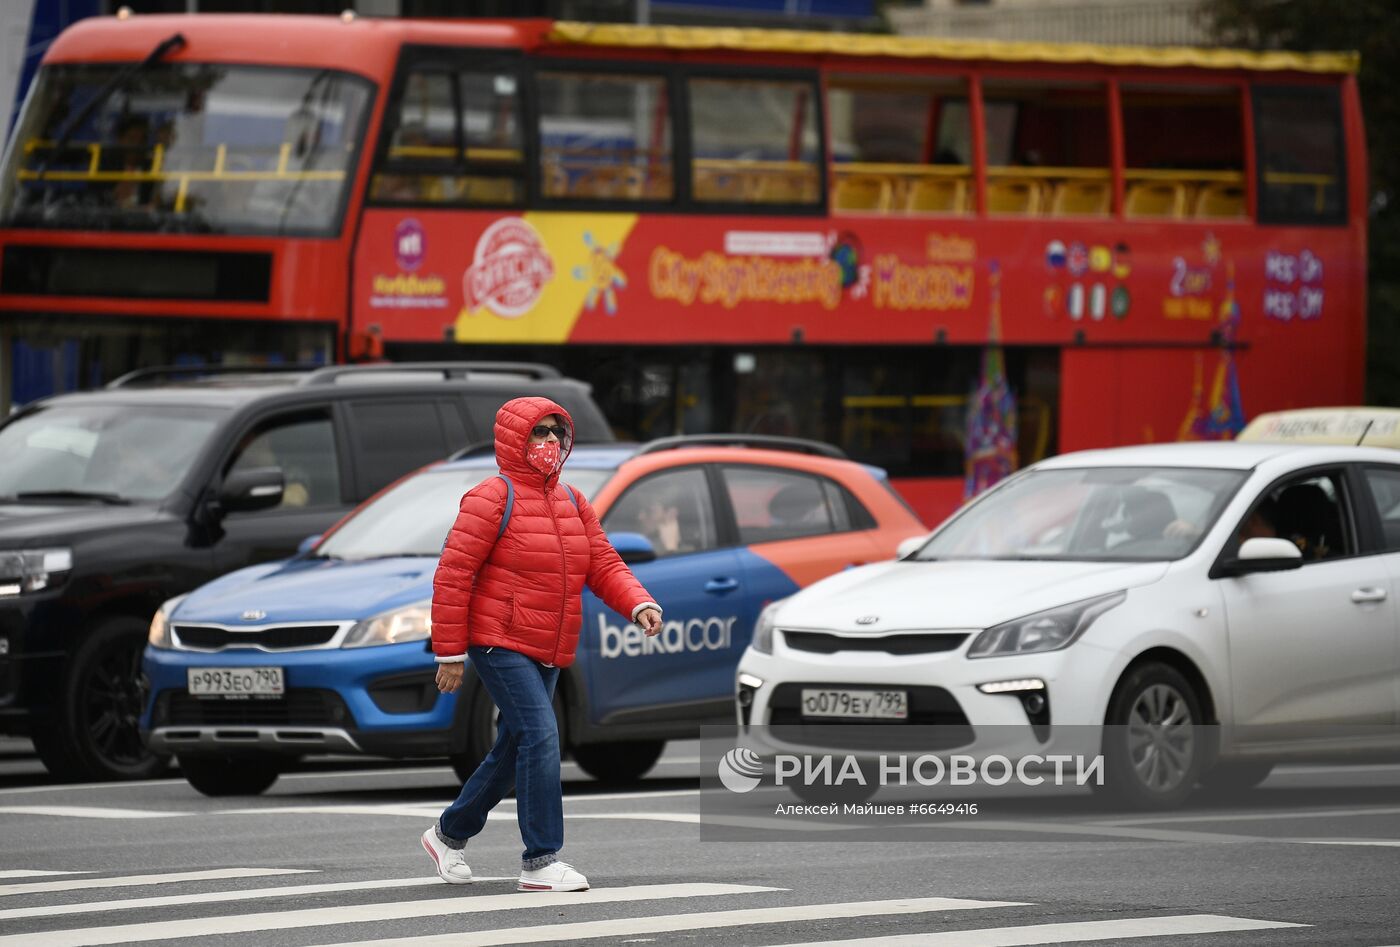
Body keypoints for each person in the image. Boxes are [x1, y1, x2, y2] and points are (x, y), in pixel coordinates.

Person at [422, 397, 664, 892]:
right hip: (498, 639)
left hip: (549, 643)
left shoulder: (572, 501)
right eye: (539, 432)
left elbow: (603, 563)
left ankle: (448, 834)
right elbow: (453, 574)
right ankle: (540, 861)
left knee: (516, 746)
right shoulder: (491, 497)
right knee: (541, 734)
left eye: (557, 432)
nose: (550, 441)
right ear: (516, 439)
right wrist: (448, 651)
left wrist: (638, 603)